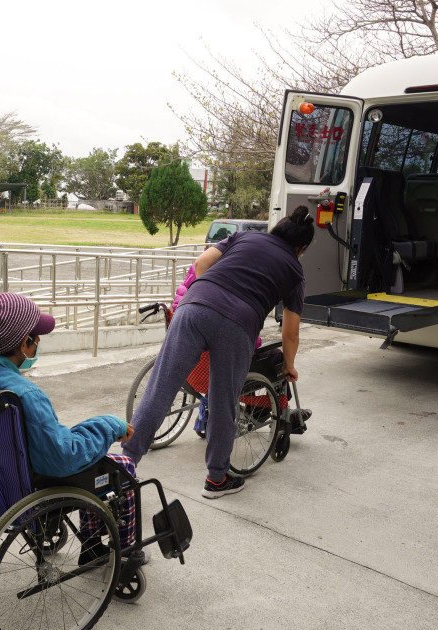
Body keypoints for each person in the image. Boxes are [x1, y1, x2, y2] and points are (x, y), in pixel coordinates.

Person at [123, 207, 315, 499]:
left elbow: (201, 264)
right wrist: (289, 365)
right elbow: (290, 332)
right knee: (224, 402)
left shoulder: (244, 237)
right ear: (301, 248)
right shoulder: (294, 271)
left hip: (192, 306)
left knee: (159, 390)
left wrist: (206, 298)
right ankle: (216, 479)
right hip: (237, 325)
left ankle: (125, 466)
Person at [0, 292, 147, 564]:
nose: (39, 341)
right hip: (34, 481)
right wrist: (110, 426)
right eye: (35, 336)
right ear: (23, 344)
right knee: (121, 468)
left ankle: (93, 541)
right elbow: (65, 458)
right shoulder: (25, 395)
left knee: (90, 449)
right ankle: (114, 550)